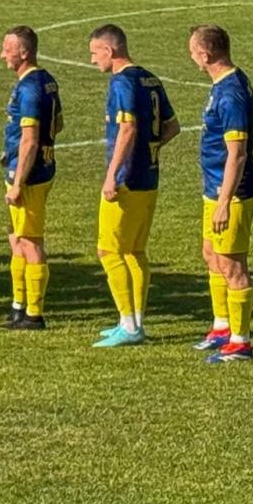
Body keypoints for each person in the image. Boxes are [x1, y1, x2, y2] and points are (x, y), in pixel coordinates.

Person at [88, 24, 180, 348]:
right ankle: (136, 321)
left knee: (108, 250)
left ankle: (128, 325)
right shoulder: (150, 78)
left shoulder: (122, 82)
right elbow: (173, 126)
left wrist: (112, 173)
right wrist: (149, 150)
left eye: (94, 52)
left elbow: (126, 129)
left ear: (109, 51)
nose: (92, 60)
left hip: (126, 180)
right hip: (149, 176)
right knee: (134, 251)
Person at [188, 24, 253, 363]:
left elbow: (238, 153)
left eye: (192, 52)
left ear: (205, 54)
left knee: (233, 265)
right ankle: (221, 327)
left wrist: (224, 203)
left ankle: (241, 341)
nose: (191, 58)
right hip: (215, 187)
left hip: (232, 191)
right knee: (211, 254)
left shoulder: (230, 94)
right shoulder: (225, 84)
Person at [0, 26, 62, 330]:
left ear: (24, 52)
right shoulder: (47, 80)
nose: (2, 55)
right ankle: (17, 306)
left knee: (30, 241)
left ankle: (34, 314)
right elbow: (58, 123)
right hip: (36, 167)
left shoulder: (29, 88)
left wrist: (17, 183)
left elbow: (30, 140)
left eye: (7, 49)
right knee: (16, 238)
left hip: (30, 175)